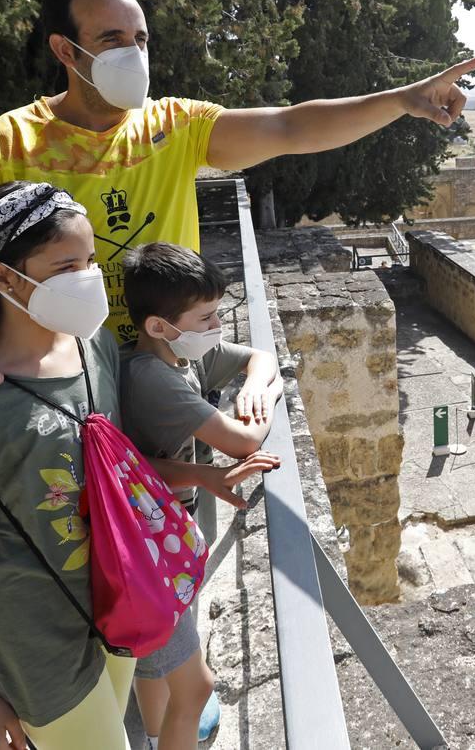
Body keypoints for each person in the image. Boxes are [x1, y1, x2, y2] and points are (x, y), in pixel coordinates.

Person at [0, 0, 475, 395]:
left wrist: (403, 100)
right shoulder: (1, 147)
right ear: (66, 49)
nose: (134, 53)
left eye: (140, 39)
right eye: (112, 40)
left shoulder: (174, 126)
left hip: (164, 371)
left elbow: (290, 125)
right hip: (55, 382)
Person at [0, 181, 271, 750]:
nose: (87, 278)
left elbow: (119, 471)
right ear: (4, 277)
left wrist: (203, 477)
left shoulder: (96, 347)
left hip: (120, 605)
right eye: (66, 266)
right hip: (41, 644)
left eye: (89, 260)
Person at [118, 241, 283, 749]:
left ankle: (156, 727)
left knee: (160, 657)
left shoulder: (181, 356)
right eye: (207, 316)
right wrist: (270, 399)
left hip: (167, 524)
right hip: (149, 542)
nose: (216, 327)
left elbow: (260, 356)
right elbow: (244, 441)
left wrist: (255, 385)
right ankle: (156, 733)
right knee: (175, 669)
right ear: (160, 326)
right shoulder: (152, 378)